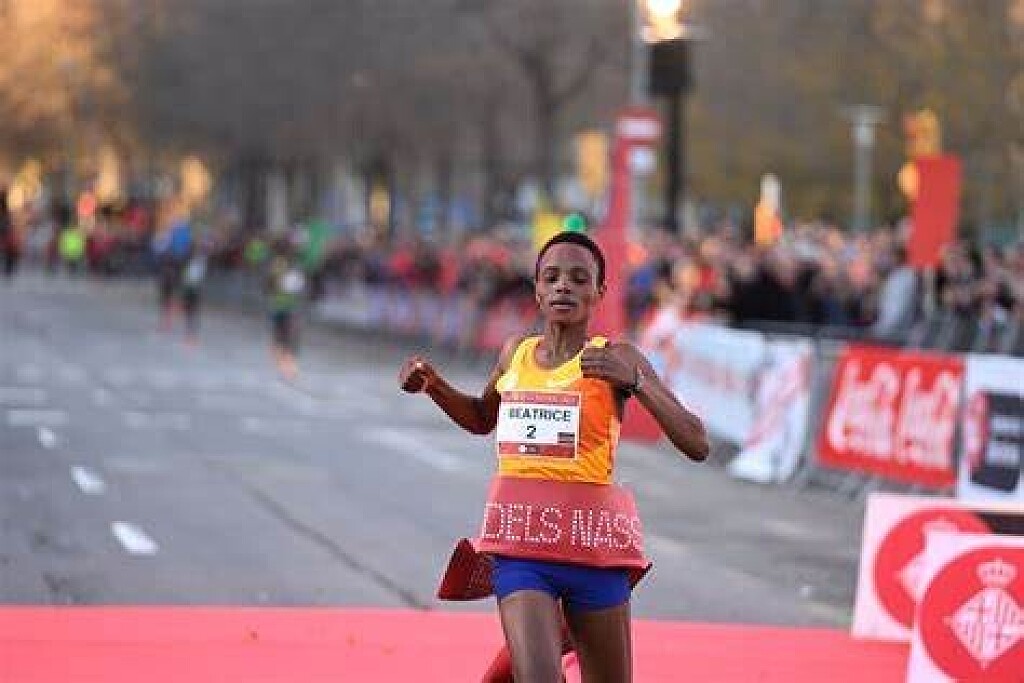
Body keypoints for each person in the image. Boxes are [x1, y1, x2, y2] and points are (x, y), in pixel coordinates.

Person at [399, 231, 709, 682]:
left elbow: (697, 443)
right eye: (553, 277)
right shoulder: (516, 354)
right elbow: (483, 418)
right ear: (538, 290)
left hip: (594, 549)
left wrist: (636, 383)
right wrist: (435, 387)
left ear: (599, 292)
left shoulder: (617, 357)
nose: (564, 286)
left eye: (580, 279)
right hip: (521, 547)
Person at [266, 241, 306, 380]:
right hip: (281, 305)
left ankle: (286, 364)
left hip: (288, 306)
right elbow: (270, 283)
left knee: (287, 335)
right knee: (284, 335)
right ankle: (284, 364)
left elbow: (300, 286)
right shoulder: (279, 263)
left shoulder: (295, 266)